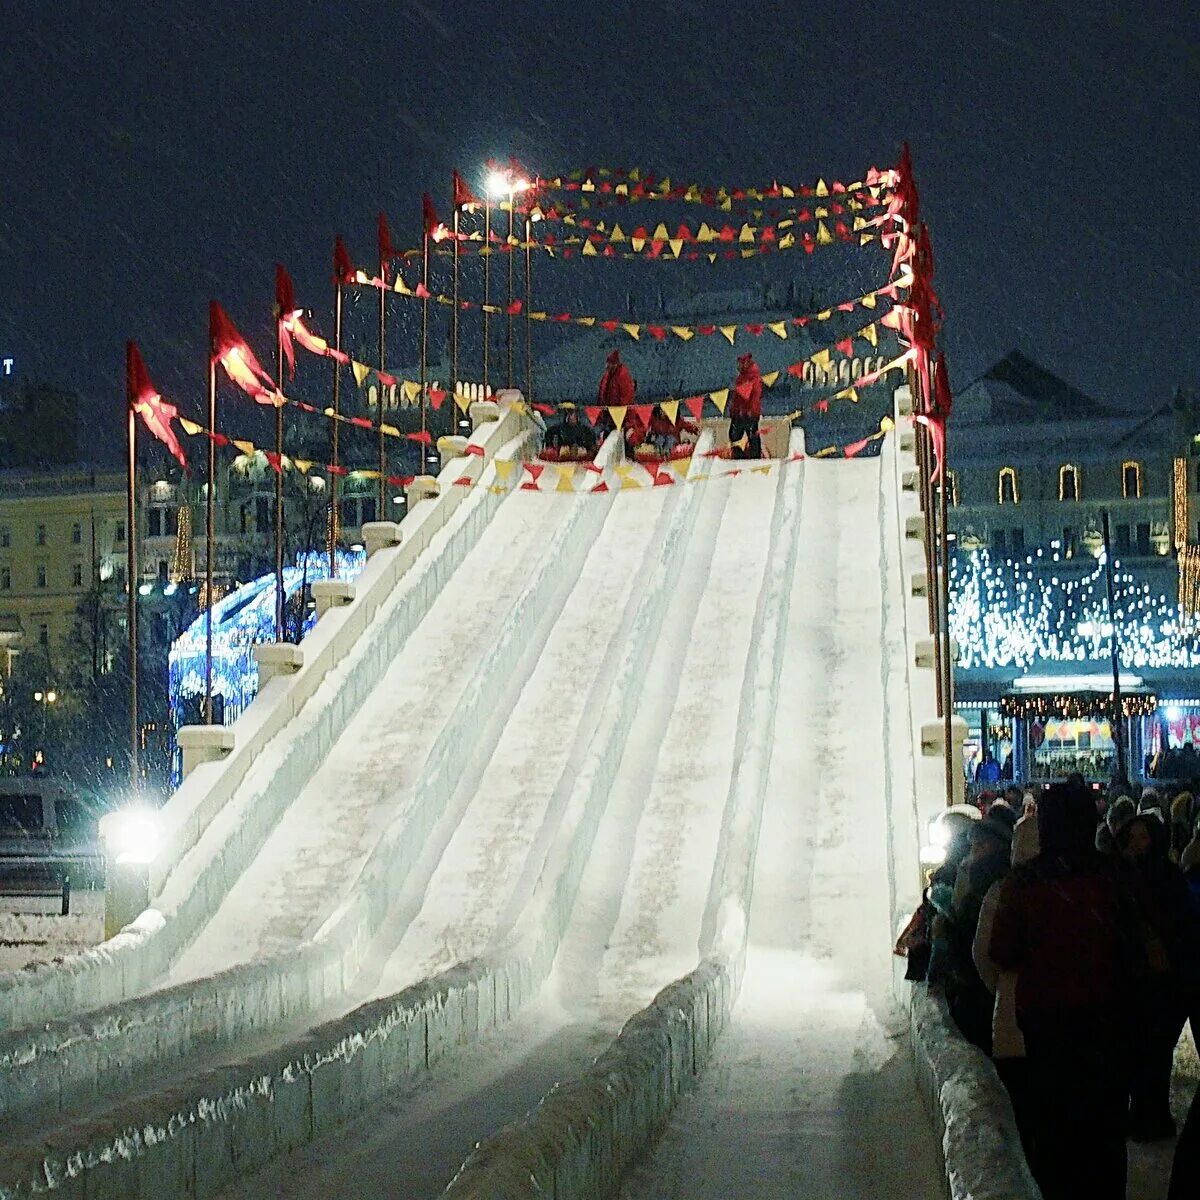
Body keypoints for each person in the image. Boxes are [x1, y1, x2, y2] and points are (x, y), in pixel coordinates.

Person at [989, 783, 1134, 1200]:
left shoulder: (1023, 884)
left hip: (1047, 1021)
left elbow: (1003, 950)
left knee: (1055, 1127)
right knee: (1105, 1131)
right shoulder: (1114, 876)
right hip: (1107, 1019)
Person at [1117, 812, 1200, 1141]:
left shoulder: (1156, 877)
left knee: (1151, 1049)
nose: (1136, 843)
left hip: (1159, 978)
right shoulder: (1146, 875)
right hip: (1151, 977)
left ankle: (1147, 1115)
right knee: (1148, 1049)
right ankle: (1148, 1114)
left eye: (1142, 837)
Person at [729, 352, 763, 459]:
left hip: (749, 412)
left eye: (740, 363)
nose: (738, 366)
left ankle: (753, 458)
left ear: (746, 363)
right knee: (734, 435)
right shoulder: (741, 377)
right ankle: (740, 456)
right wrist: (733, 410)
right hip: (740, 412)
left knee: (751, 435)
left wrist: (750, 411)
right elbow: (737, 397)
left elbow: (755, 396)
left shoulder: (753, 377)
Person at [594, 349, 636, 437]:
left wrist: (624, 420)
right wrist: (600, 414)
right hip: (609, 417)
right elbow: (602, 396)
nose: (606, 366)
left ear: (615, 364)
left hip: (620, 418)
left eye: (609, 364)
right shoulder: (607, 376)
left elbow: (626, 400)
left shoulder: (623, 376)